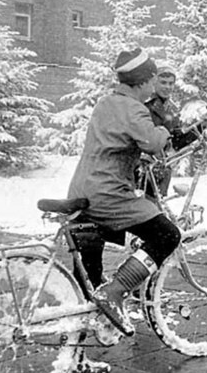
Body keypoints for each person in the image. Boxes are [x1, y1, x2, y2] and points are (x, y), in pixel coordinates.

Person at [67, 47, 182, 336]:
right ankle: (117, 291)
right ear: (142, 82)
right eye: (152, 80)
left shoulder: (106, 102)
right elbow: (153, 143)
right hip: (108, 193)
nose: (154, 86)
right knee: (167, 234)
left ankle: (76, 355)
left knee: (88, 278)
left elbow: (114, 142)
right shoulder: (134, 108)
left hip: (82, 188)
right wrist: (167, 130)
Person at [142, 62, 196, 198]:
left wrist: (200, 128)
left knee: (156, 207)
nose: (168, 87)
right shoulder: (144, 105)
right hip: (144, 170)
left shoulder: (171, 109)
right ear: (154, 83)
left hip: (161, 170)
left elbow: (176, 141)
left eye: (171, 83)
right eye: (163, 82)